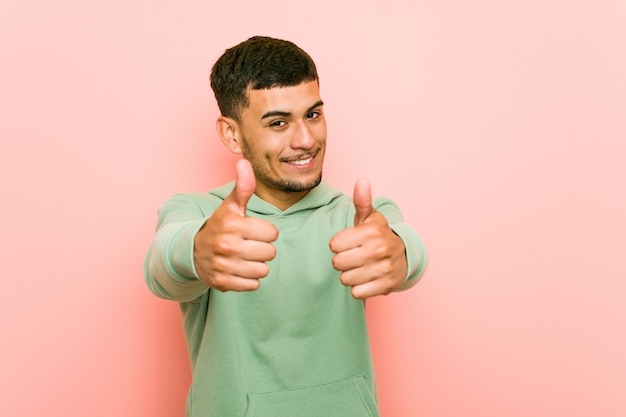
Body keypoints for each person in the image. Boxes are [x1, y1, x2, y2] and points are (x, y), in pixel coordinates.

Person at [144, 35, 428, 417]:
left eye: (312, 114)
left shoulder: (359, 217)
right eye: (278, 122)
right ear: (232, 134)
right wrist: (195, 250)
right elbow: (164, 263)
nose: (306, 140)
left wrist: (402, 252)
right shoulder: (201, 217)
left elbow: (405, 245)